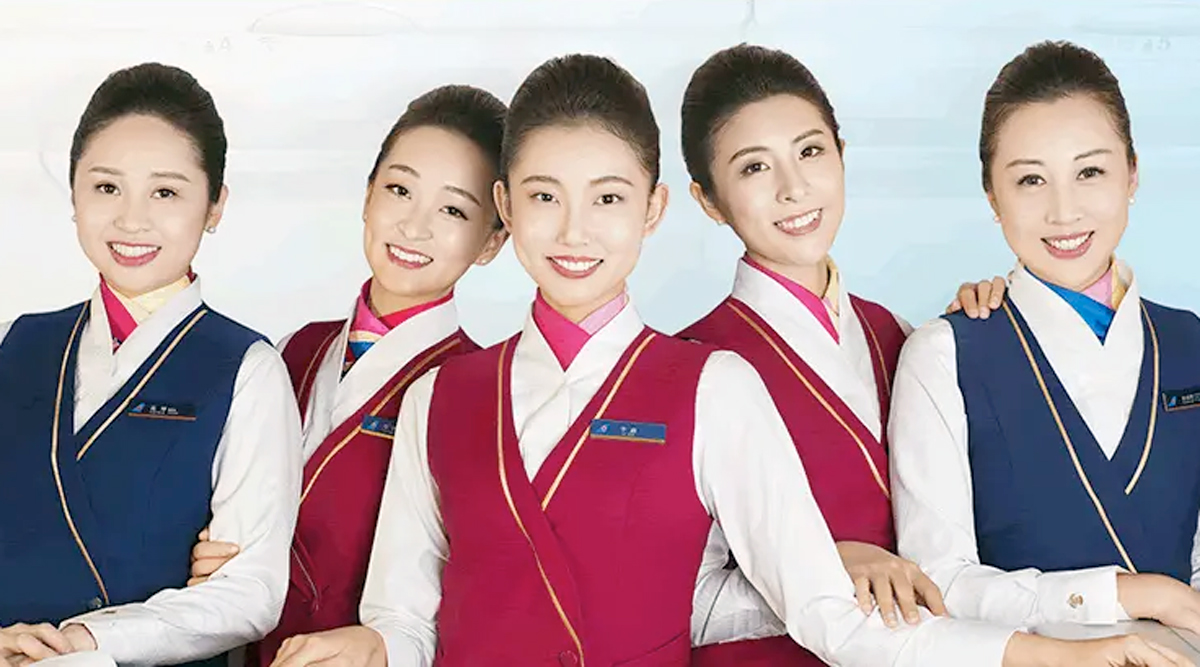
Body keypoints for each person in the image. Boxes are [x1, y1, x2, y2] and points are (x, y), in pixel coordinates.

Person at [271, 52, 1190, 667]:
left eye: (608, 196)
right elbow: (405, 611)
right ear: (506, 208)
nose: (576, 230)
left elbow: (828, 611)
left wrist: (1058, 650)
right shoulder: (444, 393)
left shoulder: (713, 382)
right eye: (545, 197)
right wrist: (375, 644)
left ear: (656, 208)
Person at [675, 43, 1001, 666]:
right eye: (753, 168)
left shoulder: (901, 337)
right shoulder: (688, 364)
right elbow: (676, 599)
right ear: (709, 201)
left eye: (810, 151)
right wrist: (826, 567)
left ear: (842, 156)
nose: (795, 188)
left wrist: (994, 328)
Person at [187, 84, 509, 666]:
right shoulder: (289, 353)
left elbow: (485, 589)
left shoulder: (483, 390)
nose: (414, 226)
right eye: (399, 189)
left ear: (492, 240)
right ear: (367, 196)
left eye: (454, 209)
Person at [890, 39, 1200, 641]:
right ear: (992, 198)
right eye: (1031, 180)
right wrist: (1135, 596)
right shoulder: (944, 355)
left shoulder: (1190, 343)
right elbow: (939, 581)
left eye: (1090, 171)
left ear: (1132, 174)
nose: (1064, 211)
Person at [0, 63, 300, 666]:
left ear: (214, 206)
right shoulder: (19, 343)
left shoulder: (246, 368)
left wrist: (85, 642)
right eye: (106, 187)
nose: (132, 220)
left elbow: (250, 593)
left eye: (165, 192)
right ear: (75, 193)